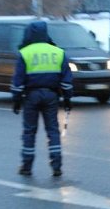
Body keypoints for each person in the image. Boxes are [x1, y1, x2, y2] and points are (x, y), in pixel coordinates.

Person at [11, 21, 73, 177]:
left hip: (31, 96)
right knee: (52, 131)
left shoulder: (25, 53)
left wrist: (16, 100)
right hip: (51, 95)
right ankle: (56, 166)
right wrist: (67, 99)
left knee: (29, 132)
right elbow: (66, 81)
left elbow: (18, 81)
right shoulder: (58, 52)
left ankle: (27, 166)